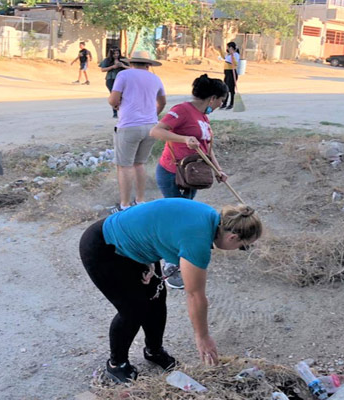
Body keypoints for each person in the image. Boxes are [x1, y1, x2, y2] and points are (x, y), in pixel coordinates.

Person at [79, 198, 263, 383]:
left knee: (156, 300)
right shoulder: (198, 241)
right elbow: (195, 295)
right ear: (233, 237)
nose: (240, 249)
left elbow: (156, 224)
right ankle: (116, 364)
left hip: (135, 248)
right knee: (133, 309)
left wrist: (146, 258)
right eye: (244, 247)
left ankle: (154, 351)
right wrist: (203, 337)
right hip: (104, 246)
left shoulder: (211, 218)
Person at [149, 74, 229, 289]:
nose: (221, 105)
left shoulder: (204, 117)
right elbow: (156, 131)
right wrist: (184, 139)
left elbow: (206, 149)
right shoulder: (183, 110)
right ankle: (170, 266)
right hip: (172, 173)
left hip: (192, 176)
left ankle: (178, 260)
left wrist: (218, 170)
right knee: (177, 220)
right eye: (221, 100)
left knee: (184, 217)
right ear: (212, 98)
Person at [108, 50, 167, 212]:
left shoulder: (124, 75)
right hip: (151, 126)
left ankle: (124, 205)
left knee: (124, 166)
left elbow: (113, 99)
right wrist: (153, 114)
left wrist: (115, 104)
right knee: (139, 164)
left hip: (129, 125)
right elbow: (162, 102)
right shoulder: (156, 78)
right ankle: (140, 200)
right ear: (148, 64)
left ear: (132, 63)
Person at [99, 48, 129, 118]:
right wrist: (113, 67)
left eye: (117, 53)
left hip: (122, 80)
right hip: (111, 79)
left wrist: (123, 66)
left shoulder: (124, 59)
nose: (116, 55)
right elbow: (102, 69)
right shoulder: (107, 60)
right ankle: (115, 112)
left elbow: (131, 68)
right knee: (114, 96)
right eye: (114, 54)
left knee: (123, 95)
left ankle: (123, 111)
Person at [218, 42, 240, 110]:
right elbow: (224, 57)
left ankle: (231, 103)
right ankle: (224, 103)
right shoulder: (228, 55)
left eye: (228, 47)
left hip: (232, 73)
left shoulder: (236, 54)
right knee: (226, 89)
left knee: (231, 89)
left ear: (232, 48)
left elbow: (235, 63)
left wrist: (232, 55)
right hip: (227, 73)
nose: (227, 49)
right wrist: (220, 50)